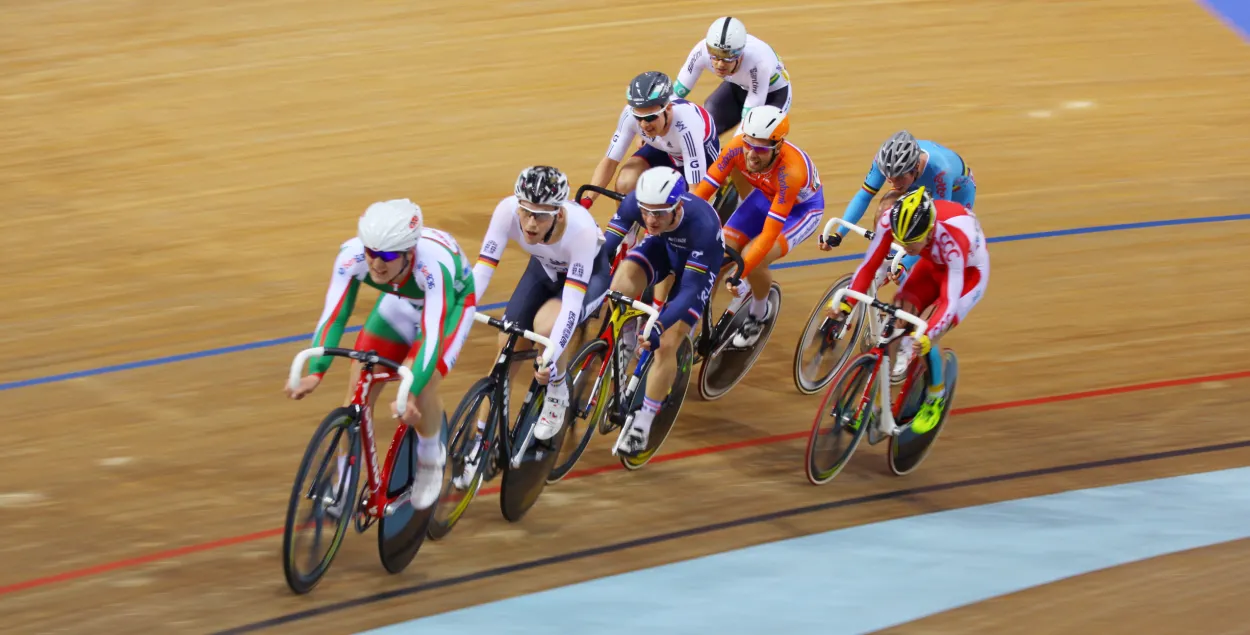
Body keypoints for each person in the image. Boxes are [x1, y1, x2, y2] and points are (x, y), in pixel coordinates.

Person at [285, 199, 476, 511]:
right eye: (370, 252)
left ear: (409, 252)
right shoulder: (351, 256)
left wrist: (411, 393)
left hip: (450, 307)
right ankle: (346, 477)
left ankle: (430, 457)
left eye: (386, 255)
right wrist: (315, 372)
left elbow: (431, 336)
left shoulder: (432, 267)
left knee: (422, 382)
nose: (375, 263)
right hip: (400, 304)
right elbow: (334, 315)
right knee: (359, 386)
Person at [459, 166, 610, 485]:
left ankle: (557, 390)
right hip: (542, 272)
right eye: (525, 212)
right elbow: (482, 271)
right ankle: (479, 444)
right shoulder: (506, 211)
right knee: (506, 348)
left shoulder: (579, 230)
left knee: (546, 326)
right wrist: (460, 314)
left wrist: (552, 356)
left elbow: (570, 304)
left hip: (586, 278)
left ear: (558, 213)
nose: (530, 223)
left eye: (540, 216)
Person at [830, 187, 989, 433]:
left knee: (927, 331)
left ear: (929, 232)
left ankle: (936, 395)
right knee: (895, 321)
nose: (903, 245)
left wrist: (927, 334)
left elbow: (949, 300)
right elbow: (869, 265)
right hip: (932, 264)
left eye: (910, 241)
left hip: (967, 275)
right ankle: (875, 405)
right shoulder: (890, 220)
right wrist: (846, 304)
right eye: (899, 238)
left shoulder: (953, 240)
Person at [604, 166, 725, 457]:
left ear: (678, 206)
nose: (649, 219)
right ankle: (628, 338)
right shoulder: (637, 202)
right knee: (619, 285)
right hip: (663, 247)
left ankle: (642, 424)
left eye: (659, 213)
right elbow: (606, 248)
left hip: (699, 264)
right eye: (646, 212)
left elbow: (689, 291)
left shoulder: (702, 225)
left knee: (667, 343)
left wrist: (660, 325)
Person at [691, 105, 824, 348]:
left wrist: (740, 271)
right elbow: (704, 190)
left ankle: (758, 312)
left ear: (778, 146)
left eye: (761, 149)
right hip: (765, 195)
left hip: (800, 210)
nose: (752, 154)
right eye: (749, 144)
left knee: (754, 258)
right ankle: (694, 317)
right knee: (717, 253)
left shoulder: (790, 173)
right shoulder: (735, 148)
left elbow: (769, 234)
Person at [823, 131, 976, 279]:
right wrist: (839, 233)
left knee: (931, 234)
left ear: (915, 168)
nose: (894, 183)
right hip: (918, 184)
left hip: (957, 192)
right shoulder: (885, 161)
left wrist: (904, 264)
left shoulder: (941, 172)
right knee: (887, 205)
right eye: (889, 178)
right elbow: (864, 196)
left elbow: (933, 229)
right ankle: (887, 256)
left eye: (899, 178)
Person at [581, 71, 720, 210]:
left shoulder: (686, 127)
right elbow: (610, 161)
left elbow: (695, 193)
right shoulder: (630, 114)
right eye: (638, 117)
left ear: (668, 109)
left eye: (650, 117)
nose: (643, 125)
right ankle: (629, 226)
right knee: (626, 182)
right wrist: (588, 199)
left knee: (674, 203)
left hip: (700, 153)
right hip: (665, 148)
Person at [674, 16, 793, 138]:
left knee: (752, 139)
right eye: (715, 55)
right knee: (702, 130)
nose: (720, 64)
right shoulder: (701, 50)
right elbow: (676, 93)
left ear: (741, 54)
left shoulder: (758, 63)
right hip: (739, 86)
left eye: (728, 57)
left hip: (773, 94)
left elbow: (748, 121)